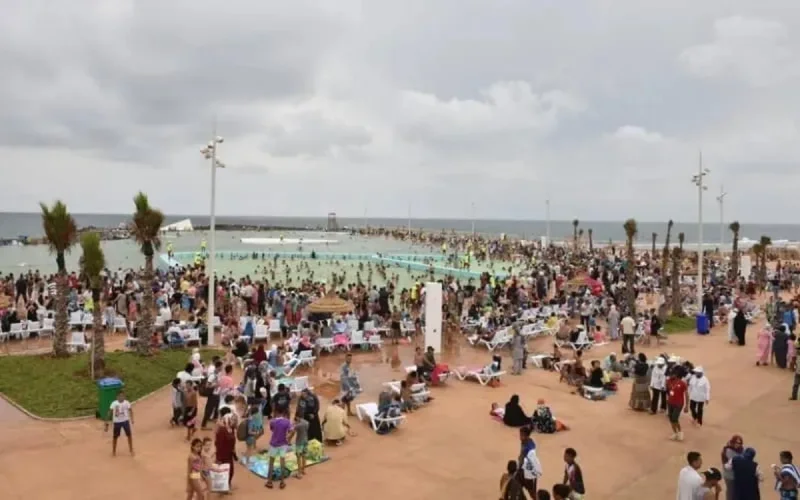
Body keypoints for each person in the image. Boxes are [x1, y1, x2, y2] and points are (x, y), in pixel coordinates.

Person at [264, 409, 293, 490]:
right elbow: (292, 430)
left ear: (276, 413)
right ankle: (282, 482)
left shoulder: (272, 422)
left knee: (271, 463)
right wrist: (288, 438)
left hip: (274, 444)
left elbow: (272, 430)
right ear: (284, 413)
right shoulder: (287, 422)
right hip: (283, 444)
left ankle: (269, 482)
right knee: (282, 463)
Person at [105, 390, 134, 456]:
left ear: (124, 396)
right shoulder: (114, 403)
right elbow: (109, 412)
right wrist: (106, 423)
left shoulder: (127, 403)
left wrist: (132, 419)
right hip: (117, 422)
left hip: (125, 421)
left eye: (123, 396)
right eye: (120, 396)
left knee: (129, 435)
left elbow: (130, 410)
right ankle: (114, 451)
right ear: (117, 397)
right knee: (115, 437)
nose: (121, 397)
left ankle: (131, 449)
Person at [518, 426, 543, 497]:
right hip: (521, 469)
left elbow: (531, 461)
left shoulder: (530, 448)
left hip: (528, 472)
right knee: (518, 487)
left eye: (522, 435)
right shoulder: (524, 442)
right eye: (520, 435)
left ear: (527, 436)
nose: (520, 437)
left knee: (531, 492)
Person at [666, 366, 689, 441]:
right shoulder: (669, 381)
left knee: (674, 418)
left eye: (672, 374)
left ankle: (680, 432)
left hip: (679, 403)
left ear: (677, 374)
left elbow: (686, 395)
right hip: (670, 402)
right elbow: (668, 390)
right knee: (670, 418)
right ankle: (675, 433)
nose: (671, 375)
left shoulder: (683, 383)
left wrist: (686, 406)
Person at [721, 435, 744, 500]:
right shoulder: (728, 450)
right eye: (736, 443)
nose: (738, 444)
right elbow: (734, 463)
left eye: (739, 443)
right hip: (729, 476)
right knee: (730, 492)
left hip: (737, 475)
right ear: (733, 442)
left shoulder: (741, 450)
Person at [293, 411, 309, 479]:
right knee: (304, 455)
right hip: (305, 440)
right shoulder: (307, 423)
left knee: (298, 457)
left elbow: (292, 432)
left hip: (299, 442)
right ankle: (303, 470)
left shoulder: (298, 425)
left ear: (297, 417)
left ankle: (299, 473)